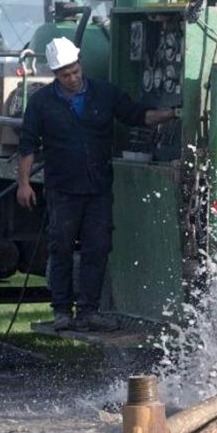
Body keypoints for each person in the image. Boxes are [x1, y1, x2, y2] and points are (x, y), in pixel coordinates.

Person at [17, 37, 176, 331]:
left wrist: (171, 114)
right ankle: (62, 310)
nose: (73, 78)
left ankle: (89, 310)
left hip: (98, 186)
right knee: (61, 247)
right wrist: (23, 183)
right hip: (62, 188)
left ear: (81, 64)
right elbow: (27, 144)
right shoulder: (41, 103)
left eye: (75, 71)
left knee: (97, 247)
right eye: (65, 75)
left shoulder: (104, 93)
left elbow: (136, 115)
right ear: (55, 75)